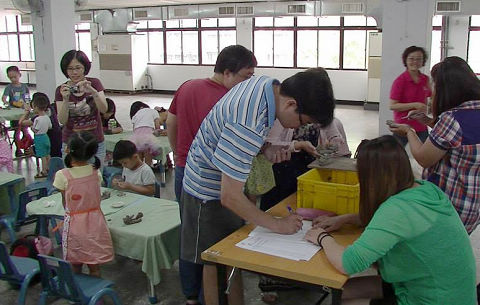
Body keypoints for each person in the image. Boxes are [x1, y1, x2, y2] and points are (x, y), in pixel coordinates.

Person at [181, 69, 335, 305]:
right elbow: (229, 197)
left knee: (232, 259)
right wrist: (277, 224)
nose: (296, 129)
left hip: (224, 181)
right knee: (215, 259)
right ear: (291, 103)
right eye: (303, 121)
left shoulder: (268, 86)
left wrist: (264, 149)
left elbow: (234, 132)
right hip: (206, 190)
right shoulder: (249, 121)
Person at [305, 135, 476, 305]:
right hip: (450, 292)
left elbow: (348, 263)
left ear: (372, 178)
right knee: (348, 290)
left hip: (430, 298)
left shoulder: (396, 209)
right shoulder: (424, 189)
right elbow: (401, 223)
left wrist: (321, 237)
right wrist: (347, 219)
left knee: (348, 295)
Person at [166, 44, 256, 305]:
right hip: (212, 178)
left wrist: (179, 155)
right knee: (214, 239)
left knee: (189, 234)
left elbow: (171, 122)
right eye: (245, 76)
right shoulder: (228, 100)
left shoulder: (187, 86)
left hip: (185, 171)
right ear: (227, 72)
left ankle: (190, 294)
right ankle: (214, 295)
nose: (246, 83)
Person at [389, 56, 480, 235]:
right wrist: (430, 122)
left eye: (436, 86)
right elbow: (460, 138)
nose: (432, 91)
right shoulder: (471, 113)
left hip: (450, 206)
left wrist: (409, 131)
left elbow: (424, 158)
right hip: (472, 206)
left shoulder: (452, 118)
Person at [52, 131, 113, 277]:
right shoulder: (95, 173)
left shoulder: (62, 175)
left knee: (75, 262)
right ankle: (96, 297)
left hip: (75, 223)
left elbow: (65, 201)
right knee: (94, 264)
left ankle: (78, 294)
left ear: (67, 149)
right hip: (95, 221)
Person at [55, 50, 108, 168]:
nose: (74, 72)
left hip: (95, 142)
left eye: (78, 68)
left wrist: (93, 92)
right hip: (71, 144)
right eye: (70, 69)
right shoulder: (61, 89)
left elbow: (104, 110)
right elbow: (62, 120)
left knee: (95, 179)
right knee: (72, 180)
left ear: (85, 68)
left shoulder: (94, 83)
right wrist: (65, 99)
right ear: (65, 70)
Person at [389, 46, 431, 147]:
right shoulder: (400, 81)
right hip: (403, 126)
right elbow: (392, 106)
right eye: (411, 58)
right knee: (396, 156)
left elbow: (430, 98)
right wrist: (416, 105)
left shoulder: (426, 79)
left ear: (423, 61)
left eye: (419, 59)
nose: (415, 62)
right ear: (405, 60)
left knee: (427, 155)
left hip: (421, 125)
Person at [19, 92, 52, 178]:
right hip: (46, 137)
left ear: (36, 107)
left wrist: (31, 127)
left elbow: (35, 130)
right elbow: (50, 126)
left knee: (42, 155)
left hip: (39, 137)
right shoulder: (47, 117)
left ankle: (44, 171)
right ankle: (50, 168)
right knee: (48, 154)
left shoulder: (37, 119)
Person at [2, 65, 31, 157]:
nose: (13, 79)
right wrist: (5, 100)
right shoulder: (9, 87)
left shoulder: (24, 86)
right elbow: (4, 97)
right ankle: (18, 149)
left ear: (19, 75)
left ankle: (27, 147)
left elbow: (27, 97)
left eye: (15, 77)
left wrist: (28, 104)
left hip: (23, 111)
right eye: (10, 78)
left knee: (25, 130)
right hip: (14, 111)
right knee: (17, 131)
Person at [130, 101, 161, 167]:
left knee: (139, 154)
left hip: (136, 136)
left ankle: (140, 170)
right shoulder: (154, 111)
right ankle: (148, 169)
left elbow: (134, 128)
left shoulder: (137, 113)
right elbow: (157, 126)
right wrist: (157, 132)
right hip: (147, 134)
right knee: (148, 153)